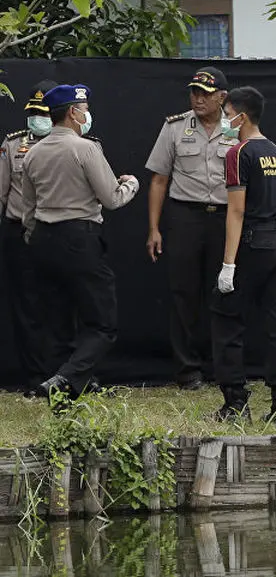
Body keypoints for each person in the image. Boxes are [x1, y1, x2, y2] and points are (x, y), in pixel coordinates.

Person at [20, 84, 141, 402]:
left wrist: (36, 239)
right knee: (102, 324)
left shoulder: (33, 153)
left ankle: (61, 391)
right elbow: (112, 199)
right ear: (73, 112)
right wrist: (131, 183)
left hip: (45, 239)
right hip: (79, 238)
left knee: (58, 320)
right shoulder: (85, 149)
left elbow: (28, 211)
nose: (86, 113)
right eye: (83, 107)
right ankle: (67, 379)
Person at [144, 67, 237, 390]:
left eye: (205, 93)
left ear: (222, 97)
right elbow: (158, 179)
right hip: (186, 216)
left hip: (226, 218)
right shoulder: (175, 127)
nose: (198, 98)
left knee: (224, 291)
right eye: (194, 92)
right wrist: (154, 228)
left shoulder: (237, 128)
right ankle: (187, 371)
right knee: (183, 294)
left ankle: (222, 366)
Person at [210, 86, 276, 427]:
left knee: (226, 319)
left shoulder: (239, 152)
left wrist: (228, 265)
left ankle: (235, 403)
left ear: (241, 117)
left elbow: (236, 211)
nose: (224, 119)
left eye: (226, 112)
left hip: (252, 245)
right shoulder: (275, 150)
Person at [0, 80, 58, 396]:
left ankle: (65, 374)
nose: (38, 118)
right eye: (34, 112)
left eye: (44, 112)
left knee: (64, 304)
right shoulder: (13, 144)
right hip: (20, 233)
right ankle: (36, 378)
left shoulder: (77, 144)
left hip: (59, 232)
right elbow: (2, 191)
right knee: (28, 308)